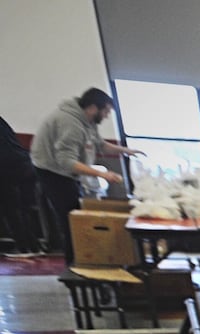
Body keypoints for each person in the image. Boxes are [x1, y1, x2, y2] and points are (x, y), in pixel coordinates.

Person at [30, 87, 143, 262]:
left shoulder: (87, 121)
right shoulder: (70, 123)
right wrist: (101, 174)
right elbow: (66, 161)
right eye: (105, 111)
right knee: (72, 221)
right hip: (53, 174)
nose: (106, 116)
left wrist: (125, 150)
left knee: (77, 216)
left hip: (65, 174)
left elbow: (98, 144)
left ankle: (82, 259)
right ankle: (75, 263)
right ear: (92, 107)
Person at [0, 114, 43, 256]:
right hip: (25, 164)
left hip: (7, 168)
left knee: (11, 209)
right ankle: (33, 247)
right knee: (24, 209)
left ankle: (23, 248)